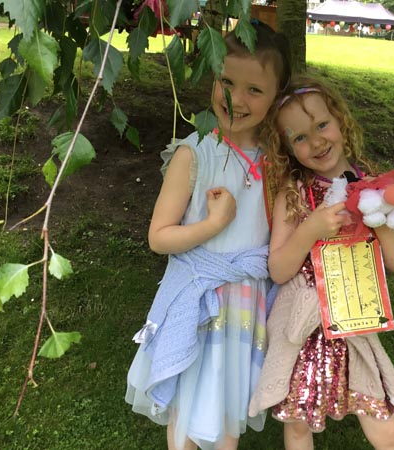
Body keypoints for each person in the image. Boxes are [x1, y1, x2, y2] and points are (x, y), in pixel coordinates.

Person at [125, 21, 291, 450]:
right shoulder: (194, 152)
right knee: (185, 421)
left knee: (226, 420)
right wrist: (212, 226)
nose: (236, 99)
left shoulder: (276, 164)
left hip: (243, 312)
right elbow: (159, 237)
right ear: (212, 77)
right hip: (196, 304)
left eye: (255, 90)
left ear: (276, 99)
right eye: (227, 82)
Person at [248, 76, 394, 450]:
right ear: (288, 148)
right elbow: (278, 269)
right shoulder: (293, 195)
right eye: (301, 137)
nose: (317, 141)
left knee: (385, 426)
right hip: (302, 328)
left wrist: (378, 219)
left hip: (354, 323)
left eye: (322, 125)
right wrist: (311, 228)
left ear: (340, 120)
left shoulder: (376, 188)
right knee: (296, 424)